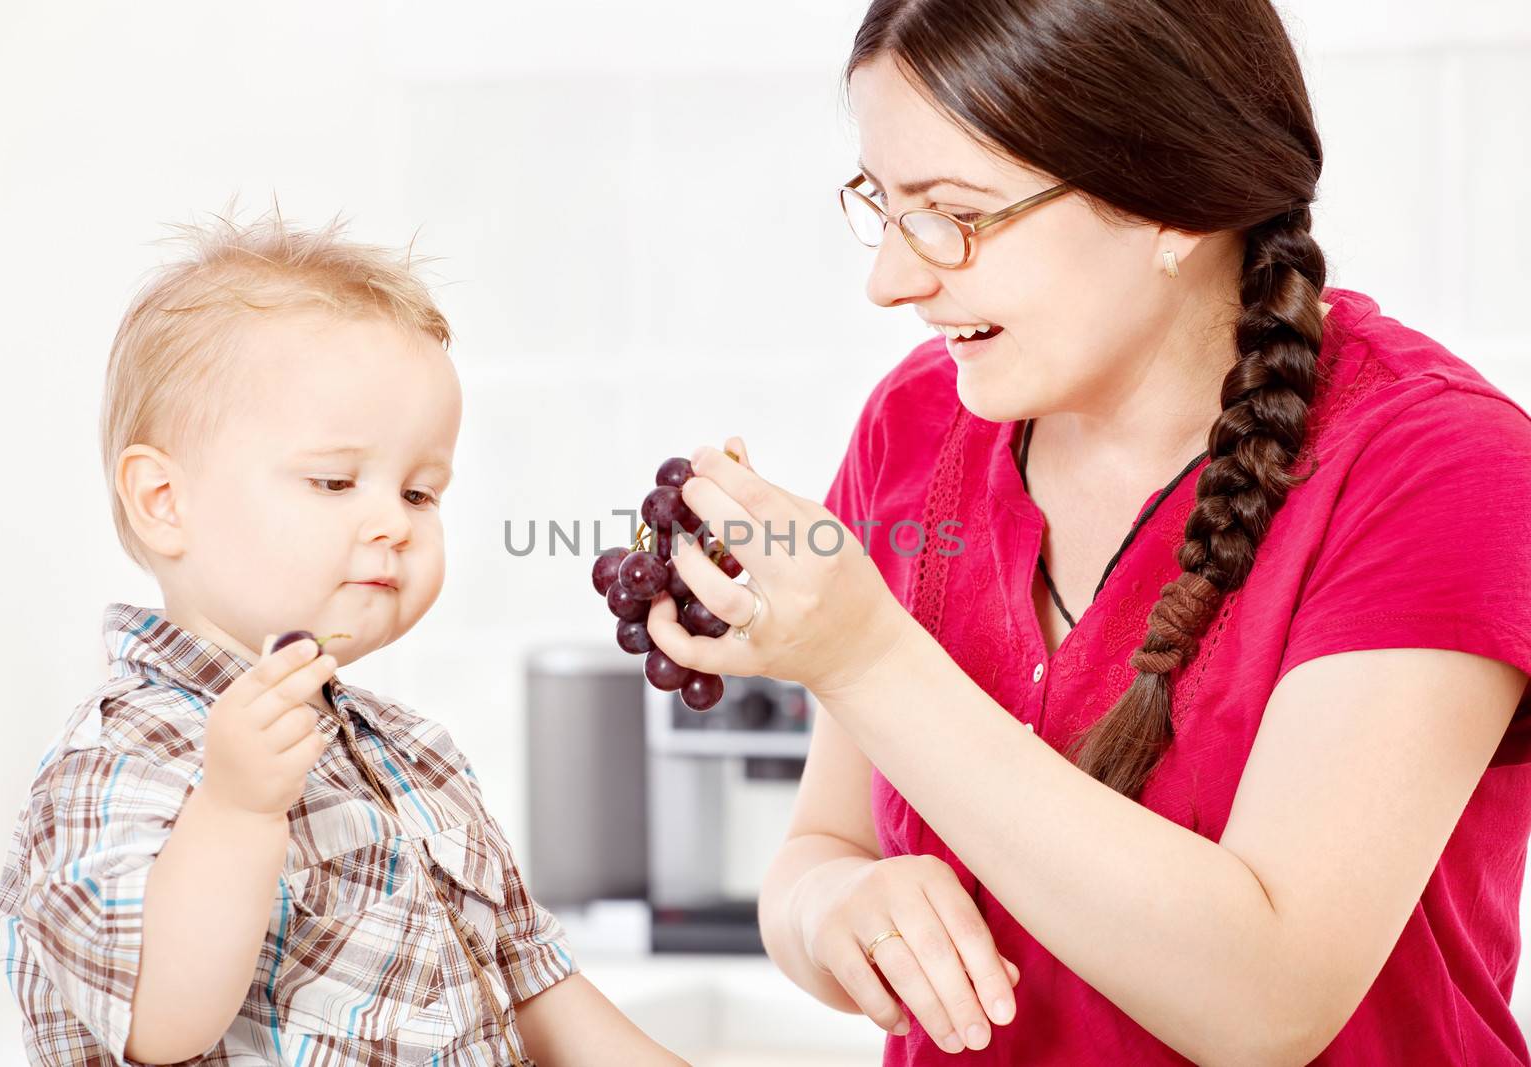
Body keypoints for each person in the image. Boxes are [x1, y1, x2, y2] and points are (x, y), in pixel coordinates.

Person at [646, 1, 1531, 1063]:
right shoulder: (918, 421)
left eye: (953, 213)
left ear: (1173, 203)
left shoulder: (1439, 467)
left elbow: (1268, 1003)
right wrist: (835, 907)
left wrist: (864, 656)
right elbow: (817, 847)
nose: (891, 279)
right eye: (881, 206)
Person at [0, 212, 686, 1066]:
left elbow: (538, 989)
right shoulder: (118, 756)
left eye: (421, 493)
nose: (392, 522)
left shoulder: (418, 758)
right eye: (334, 480)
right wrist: (238, 808)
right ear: (164, 501)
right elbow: (156, 1019)